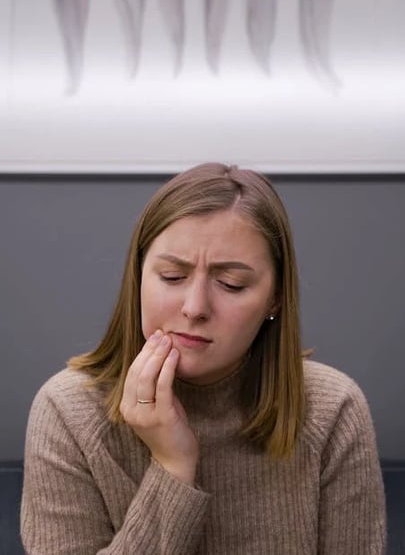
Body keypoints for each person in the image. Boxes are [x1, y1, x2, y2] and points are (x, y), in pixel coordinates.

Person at [21, 162, 386, 554]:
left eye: (231, 284)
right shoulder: (66, 412)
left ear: (275, 298)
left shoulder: (333, 409)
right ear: (138, 278)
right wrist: (172, 467)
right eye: (172, 277)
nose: (194, 307)